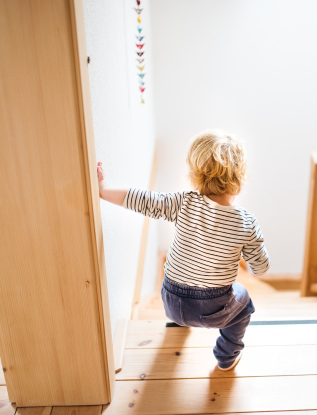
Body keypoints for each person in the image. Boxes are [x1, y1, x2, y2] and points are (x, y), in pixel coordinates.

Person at [97, 130, 270, 370]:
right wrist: (250, 255)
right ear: (240, 177)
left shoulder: (183, 202)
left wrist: (104, 190)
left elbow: (144, 199)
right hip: (213, 311)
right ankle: (226, 356)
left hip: (170, 301)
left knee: (185, 284)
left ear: (195, 173)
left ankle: (180, 323)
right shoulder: (246, 222)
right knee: (244, 303)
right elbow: (260, 270)